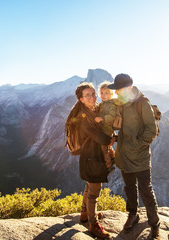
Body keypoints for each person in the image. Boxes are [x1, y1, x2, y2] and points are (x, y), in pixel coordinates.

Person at [108, 74, 160, 240]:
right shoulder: (121, 103)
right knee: (129, 187)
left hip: (139, 156)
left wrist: (136, 145)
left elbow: (151, 130)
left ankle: (154, 225)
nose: (116, 92)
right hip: (123, 155)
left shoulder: (142, 103)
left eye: (118, 89)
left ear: (129, 87)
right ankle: (133, 215)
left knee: (146, 190)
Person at [65, 82, 113, 239]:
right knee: (94, 191)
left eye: (93, 94)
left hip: (90, 158)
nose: (93, 98)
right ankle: (93, 224)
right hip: (92, 160)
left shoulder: (91, 112)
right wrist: (113, 137)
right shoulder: (84, 118)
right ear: (81, 99)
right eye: (88, 96)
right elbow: (102, 138)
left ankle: (85, 214)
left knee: (88, 185)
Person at [94, 81, 117, 174]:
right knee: (107, 145)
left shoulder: (112, 104)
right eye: (102, 93)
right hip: (103, 128)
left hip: (107, 129)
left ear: (111, 94)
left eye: (106, 93)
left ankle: (108, 166)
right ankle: (113, 157)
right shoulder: (102, 104)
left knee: (103, 147)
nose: (103, 95)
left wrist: (102, 119)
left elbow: (112, 116)